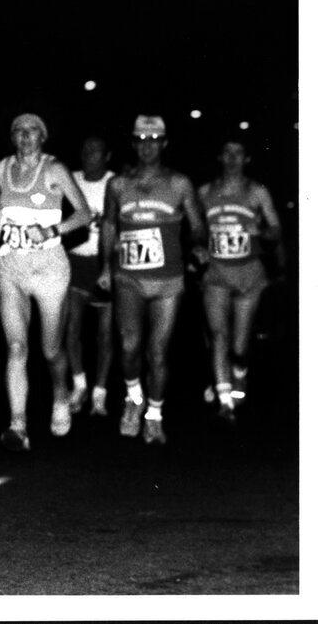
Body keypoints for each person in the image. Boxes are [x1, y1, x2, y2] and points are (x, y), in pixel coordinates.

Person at [0, 113, 91, 452]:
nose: (26, 137)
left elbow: (84, 214)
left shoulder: (55, 169)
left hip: (49, 267)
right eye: (19, 132)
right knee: (15, 347)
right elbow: (2, 209)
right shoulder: (1, 168)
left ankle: (60, 397)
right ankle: (18, 425)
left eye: (33, 132)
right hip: (11, 265)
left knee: (50, 348)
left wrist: (51, 230)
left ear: (42, 138)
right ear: (12, 138)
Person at [97, 115, 207, 444]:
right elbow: (109, 226)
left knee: (157, 352)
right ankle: (133, 397)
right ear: (133, 144)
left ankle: (155, 415)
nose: (148, 146)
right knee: (129, 347)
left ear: (164, 143)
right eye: (141, 140)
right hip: (128, 276)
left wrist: (199, 245)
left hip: (167, 280)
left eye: (154, 139)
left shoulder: (179, 183)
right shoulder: (117, 185)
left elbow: (198, 223)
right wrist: (105, 267)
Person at [198, 139, 285, 419]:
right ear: (220, 157)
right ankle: (225, 401)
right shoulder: (205, 192)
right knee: (218, 334)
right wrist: (197, 247)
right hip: (216, 275)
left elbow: (276, 231)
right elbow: (194, 232)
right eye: (228, 152)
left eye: (239, 153)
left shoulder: (257, 192)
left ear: (247, 159)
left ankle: (239, 371)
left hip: (249, 275)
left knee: (239, 344)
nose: (233, 158)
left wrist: (258, 231)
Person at [64, 136, 115, 417]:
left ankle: (100, 392)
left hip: (104, 265)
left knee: (104, 335)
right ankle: (79, 384)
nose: (88, 154)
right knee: (72, 328)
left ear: (107, 155)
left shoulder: (116, 182)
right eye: (85, 149)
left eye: (95, 150)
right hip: (74, 262)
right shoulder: (70, 179)